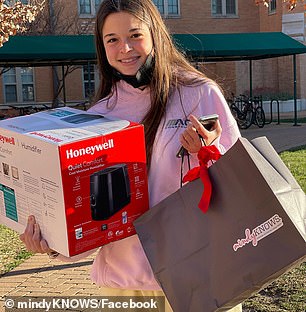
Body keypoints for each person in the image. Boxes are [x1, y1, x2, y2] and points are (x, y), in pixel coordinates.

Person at [20, 0, 242, 311]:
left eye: (135, 35)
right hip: (126, 285)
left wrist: (208, 152)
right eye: (112, 40)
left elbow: (239, 180)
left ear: (155, 35)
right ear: (103, 47)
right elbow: (92, 210)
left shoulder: (199, 94)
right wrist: (53, 244)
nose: (125, 48)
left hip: (199, 275)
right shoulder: (98, 117)